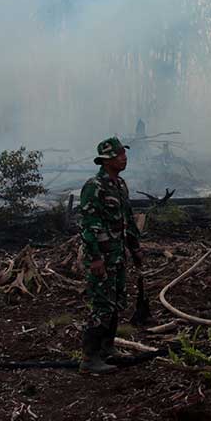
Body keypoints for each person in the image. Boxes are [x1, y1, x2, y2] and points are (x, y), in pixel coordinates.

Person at [78, 137, 143, 374]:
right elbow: (89, 226)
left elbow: (127, 220)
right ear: (106, 160)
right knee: (102, 306)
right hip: (102, 259)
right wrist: (95, 258)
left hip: (117, 257)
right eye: (119, 155)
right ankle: (89, 359)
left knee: (116, 303)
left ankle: (107, 349)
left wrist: (135, 249)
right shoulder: (94, 187)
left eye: (123, 153)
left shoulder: (120, 185)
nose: (124, 157)